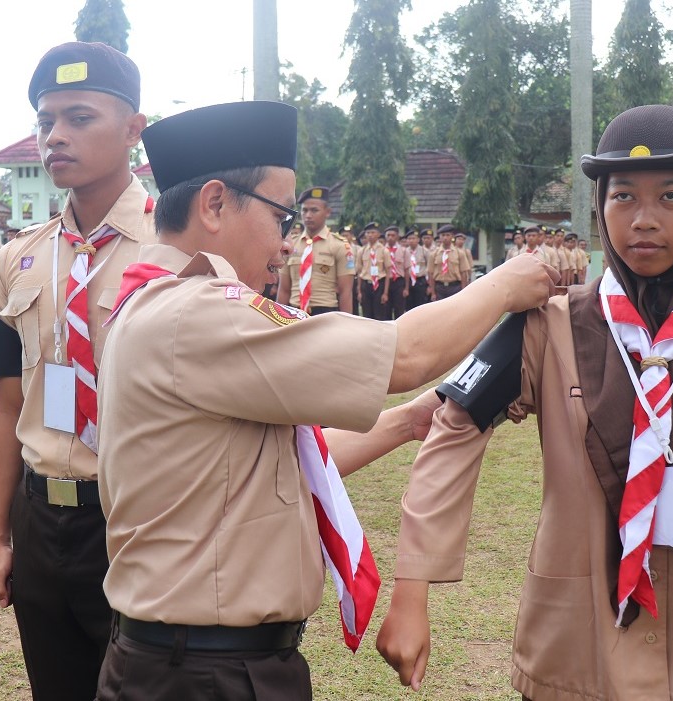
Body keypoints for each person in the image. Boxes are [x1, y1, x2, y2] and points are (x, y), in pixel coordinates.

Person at [93, 99, 558, 701]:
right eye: (281, 217)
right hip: (204, 674)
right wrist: (501, 284)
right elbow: (406, 356)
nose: (287, 244)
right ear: (214, 204)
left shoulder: (163, 305)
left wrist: (406, 423)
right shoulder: (195, 314)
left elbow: (281, 466)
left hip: (197, 661)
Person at [377, 105, 673, 701]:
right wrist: (412, 588)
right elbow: (454, 428)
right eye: (622, 198)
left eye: (670, 197)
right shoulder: (549, 327)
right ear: (599, 208)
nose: (643, 220)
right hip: (579, 647)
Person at [0, 41, 155, 701]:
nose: (55, 135)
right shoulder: (15, 262)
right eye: (46, 120)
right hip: (43, 523)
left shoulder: (180, 251)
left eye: (79, 117)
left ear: (134, 130)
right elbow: (8, 405)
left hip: (141, 520)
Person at [277, 186, 353, 314]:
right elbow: (284, 289)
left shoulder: (339, 246)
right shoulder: (291, 245)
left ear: (327, 212)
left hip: (325, 311)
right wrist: (277, 320)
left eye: (314, 210)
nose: (308, 216)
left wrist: (347, 326)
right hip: (294, 310)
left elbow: (346, 292)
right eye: (304, 210)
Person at [356, 222, 387, 320]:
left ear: (378, 234)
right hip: (366, 284)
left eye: (373, 232)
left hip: (379, 284)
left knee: (379, 314)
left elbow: (388, 272)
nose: (370, 235)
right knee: (366, 314)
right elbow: (360, 272)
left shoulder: (384, 250)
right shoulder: (362, 251)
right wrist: (359, 291)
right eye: (368, 233)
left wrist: (385, 293)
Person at [429, 226, 468, 300]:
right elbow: (431, 274)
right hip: (439, 287)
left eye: (448, 235)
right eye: (443, 235)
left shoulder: (459, 253)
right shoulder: (434, 254)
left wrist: (463, 291)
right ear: (439, 237)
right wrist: (433, 292)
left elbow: (463, 273)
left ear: (452, 236)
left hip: (455, 286)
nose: (445, 238)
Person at [384, 225, 410, 319]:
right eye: (388, 235)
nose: (390, 237)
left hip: (399, 282)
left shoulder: (404, 251)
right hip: (386, 282)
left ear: (397, 237)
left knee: (399, 309)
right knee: (386, 309)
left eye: (393, 235)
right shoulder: (382, 250)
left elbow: (407, 270)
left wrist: (406, 288)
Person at [405, 228, 429, 309]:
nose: (411, 240)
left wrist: (428, 285)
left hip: (420, 281)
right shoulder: (405, 251)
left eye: (413, 238)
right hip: (408, 280)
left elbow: (429, 267)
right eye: (409, 239)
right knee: (409, 305)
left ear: (418, 239)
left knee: (420, 304)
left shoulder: (424, 251)